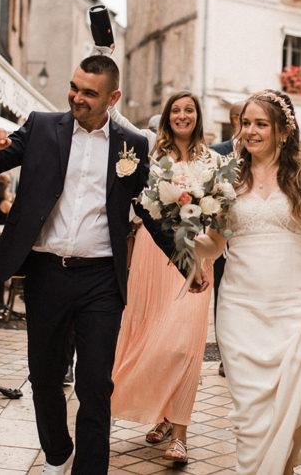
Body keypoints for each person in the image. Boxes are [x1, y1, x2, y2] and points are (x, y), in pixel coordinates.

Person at [0, 55, 173, 475]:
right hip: (47, 272)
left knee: (95, 385)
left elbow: (150, 209)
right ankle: (58, 453)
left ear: (112, 97)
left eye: (89, 92)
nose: (77, 97)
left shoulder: (132, 144)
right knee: (45, 377)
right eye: (74, 87)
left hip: (101, 276)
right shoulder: (42, 126)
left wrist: (188, 258)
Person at [192, 90, 301, 474]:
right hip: (239, 307)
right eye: (245, 123)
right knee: (251, 413)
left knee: (291, 403)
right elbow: (216, 243)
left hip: (294, 307)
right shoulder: (227, 175)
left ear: (283, 131)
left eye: (260, 124)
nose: (250, 131)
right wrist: (184, 237)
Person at [109, 91, 215, 465]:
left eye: (189, 110)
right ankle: (162, 416)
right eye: (176, 110)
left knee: (184, 345)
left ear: (198, 116)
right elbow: (115, 118)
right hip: (152, 254)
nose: (182, 116)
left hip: (195, 257)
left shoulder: (212, 159)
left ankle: (180, 433)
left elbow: (221, 212)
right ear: (166, 116)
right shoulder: (151, 149)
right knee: (151, 337)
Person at [209, 100, 243, 377]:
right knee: (222, 295)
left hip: (249, 237)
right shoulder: (216, 152)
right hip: (221, 237)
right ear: (234, 119)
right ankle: (224, 354)